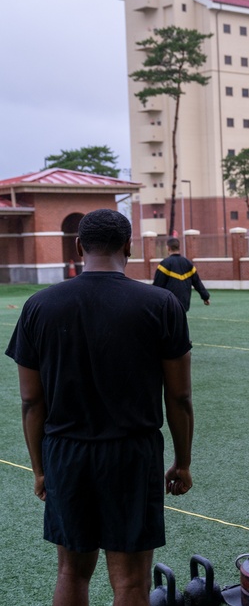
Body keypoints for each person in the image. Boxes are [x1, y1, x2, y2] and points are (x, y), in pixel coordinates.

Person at [5, 208, 194, 606]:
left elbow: (30, 400)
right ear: (129, 246)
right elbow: (179, 397)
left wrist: (41, 469)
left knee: (71, 572)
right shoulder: (160, 304)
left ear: (78, 247)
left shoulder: (39, 306)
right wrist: (182, 461)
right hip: (132, 453)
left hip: (66, 452)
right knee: (130, 582)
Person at [153, 237, 211, 311]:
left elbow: (158, 284)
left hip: (169, 303)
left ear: (168, 248)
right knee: (181, 321)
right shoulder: (188, 263)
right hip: (184, 303)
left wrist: (153, 301)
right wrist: (205, 297)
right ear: (179, 248)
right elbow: (197, 282)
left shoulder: (164, 264)